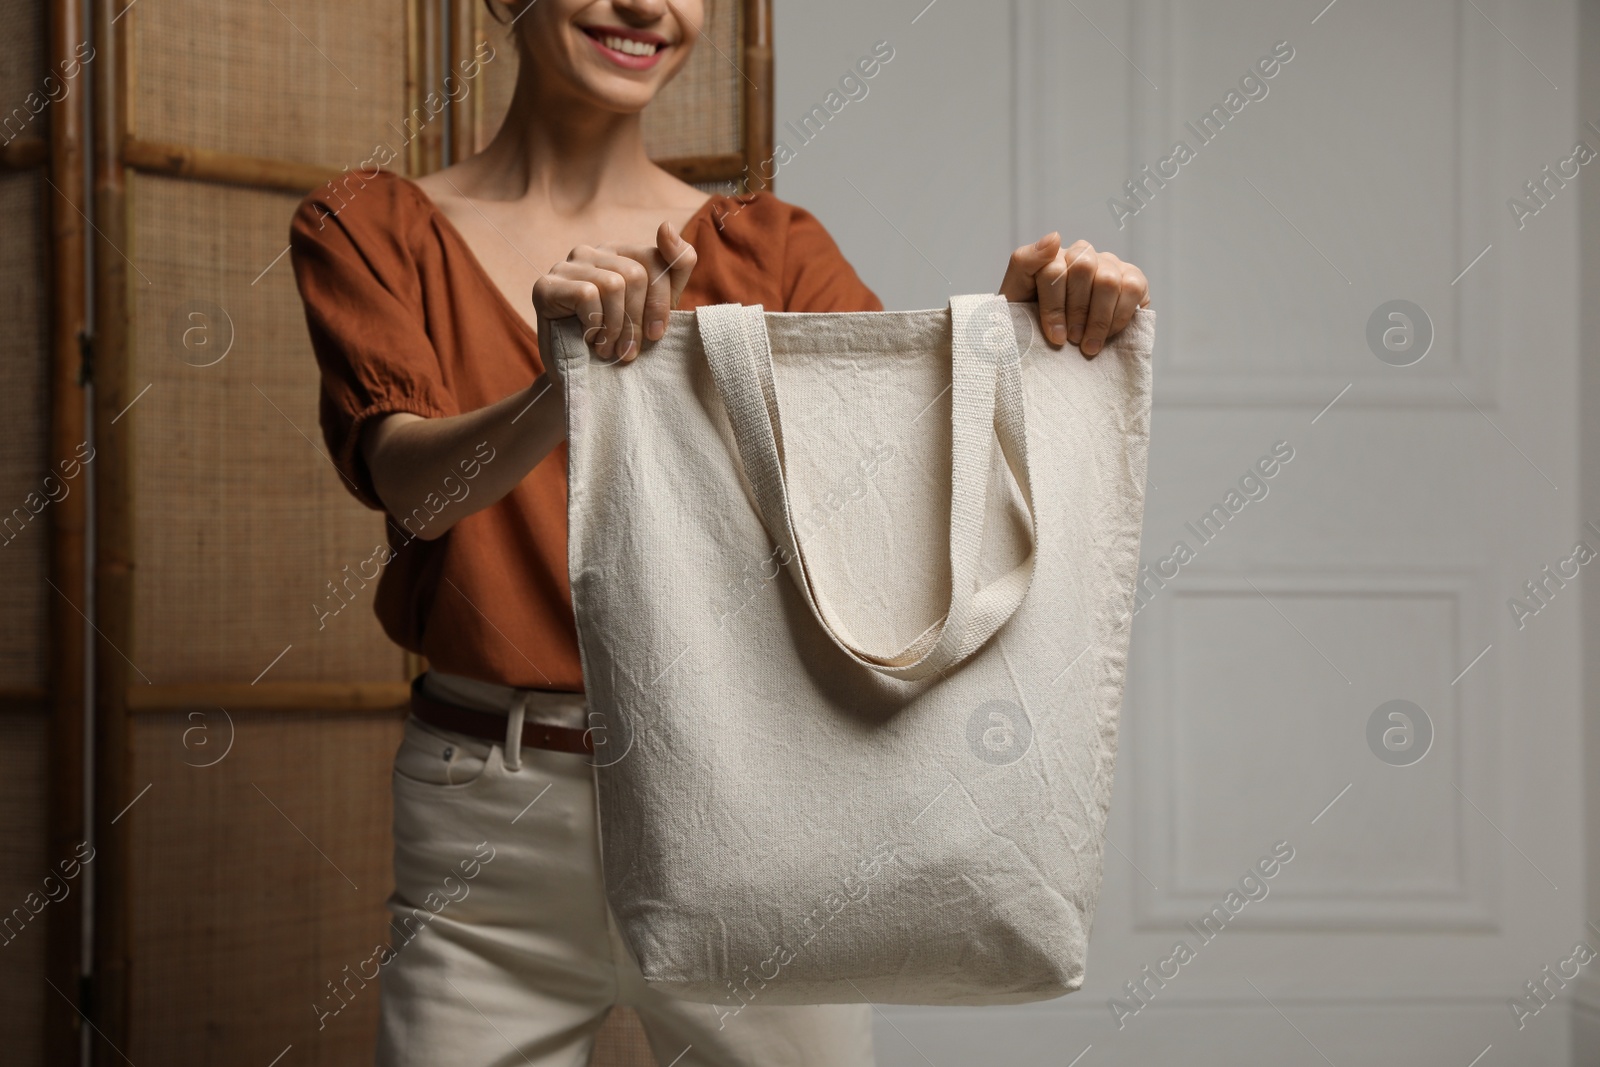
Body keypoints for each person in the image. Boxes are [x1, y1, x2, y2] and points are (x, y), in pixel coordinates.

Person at [288, 1, 1150, 1064]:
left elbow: (891, 497)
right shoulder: (368, 225)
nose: (648, 5)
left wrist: (1030, 343)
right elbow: (415, 491)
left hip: (758, 800)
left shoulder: (773, 250)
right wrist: (562, 389)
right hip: (490, 820)